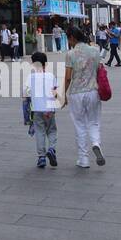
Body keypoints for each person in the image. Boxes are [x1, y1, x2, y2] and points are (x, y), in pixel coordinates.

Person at [61, 25, 104, 169]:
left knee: (79, 125)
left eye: (69, 39)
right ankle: (96, 143)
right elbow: (99, 70)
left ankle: (83, 159)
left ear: (72, 38)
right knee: (94, 121)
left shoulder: (71, 54)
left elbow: (68, 78)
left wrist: (63, 94)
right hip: (93, 90)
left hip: (76, 93)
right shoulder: (95, 51)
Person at [23, 51, 59, 168]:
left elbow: (25, 95)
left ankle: (41, 157)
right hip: (49, 109)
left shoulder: (30, 77)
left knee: (40, 132)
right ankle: (52, 149)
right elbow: (55, 93)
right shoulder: (51, 76)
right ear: (45, 64)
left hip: (36, 110)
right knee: (52, 130)